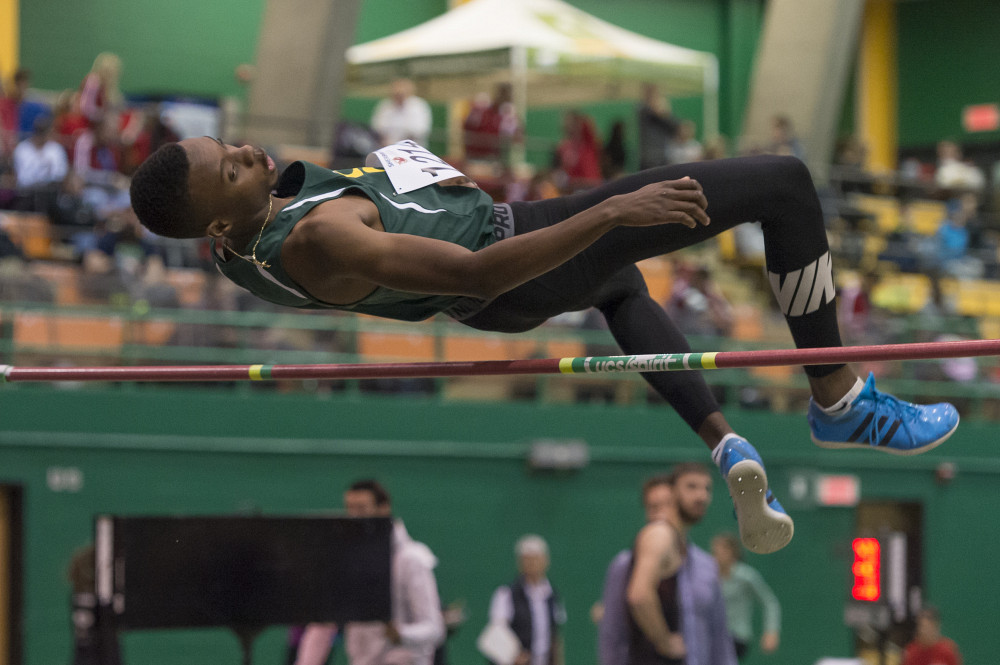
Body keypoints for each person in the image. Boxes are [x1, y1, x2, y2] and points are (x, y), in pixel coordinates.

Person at [129, 137, 962, 555]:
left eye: (229, 145)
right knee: (784, 184)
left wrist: (396, 176)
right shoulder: (319, 240)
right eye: (232, 170)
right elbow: (478, 274)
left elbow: (350, 216)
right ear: (217, 218)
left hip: (502, 281)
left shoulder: (235, 247)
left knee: (622, 289)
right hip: (513, 260)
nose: (244, 153)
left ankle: (724, 441)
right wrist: (602, 217)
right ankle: (841, 400)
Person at [295, 480, 445, 665]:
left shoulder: (411, 559)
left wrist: (401, 634)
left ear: (383, 508)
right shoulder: (347, 560)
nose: (354, 516)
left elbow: (434, 629)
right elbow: (323, 627)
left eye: (362, 508)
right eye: (350, 508)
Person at [600, 466, 736, 665]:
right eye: (691, 487)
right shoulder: (657, 535)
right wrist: (664, 642)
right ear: (673, 493)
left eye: (707, 489)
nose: (701, 496)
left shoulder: (703, 563)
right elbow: (636, 599)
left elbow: (718, 634)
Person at [486, 534, 566, 665]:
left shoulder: (552, 595)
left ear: (546, 561)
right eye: (527, 560)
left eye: (536, 559)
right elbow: (497, 630)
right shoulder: (506, 594)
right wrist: (512, 654)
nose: (532, 564)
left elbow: (555, 637)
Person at [710, 532, 780, 661]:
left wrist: (771, 631)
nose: (717, 554)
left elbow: (769, 602)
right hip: (712, 635)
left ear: (732, 552)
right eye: (715, 551)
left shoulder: (746, 576)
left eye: (722, 550)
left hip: (737, 637)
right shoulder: (708, 576)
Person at [370, 78, 432, 148]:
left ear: (409, 92)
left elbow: (419, 131)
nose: (398, 96)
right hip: (386, 148)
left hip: (411, 149)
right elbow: (377, 127)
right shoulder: (384, 105)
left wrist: (399, 145)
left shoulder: (419, 106)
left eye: (401, 94)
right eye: (396, 94)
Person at [636, 84, 678, 170]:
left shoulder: (664, 117)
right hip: (648, 159)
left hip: (662, 157)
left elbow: (673, 127)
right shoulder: (643, 110)